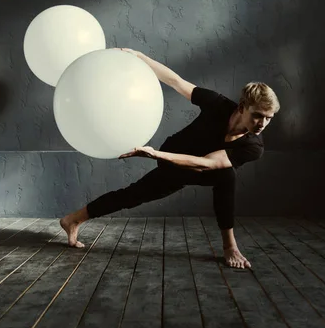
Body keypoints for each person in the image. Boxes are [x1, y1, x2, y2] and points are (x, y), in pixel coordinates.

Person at [60, 48, 280, 268]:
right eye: (257, 116)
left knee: (226, 176)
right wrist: (140, 57)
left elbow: (207, 164)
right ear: (242, 108)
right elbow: (175, 81)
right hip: (172, 156)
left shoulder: (253, 146)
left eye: (269, 118)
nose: (262, 124)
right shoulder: (218, 104)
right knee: (133, 195)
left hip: (198, 167)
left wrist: (153, 153)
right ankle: (74, 219)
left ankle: (230, 246)